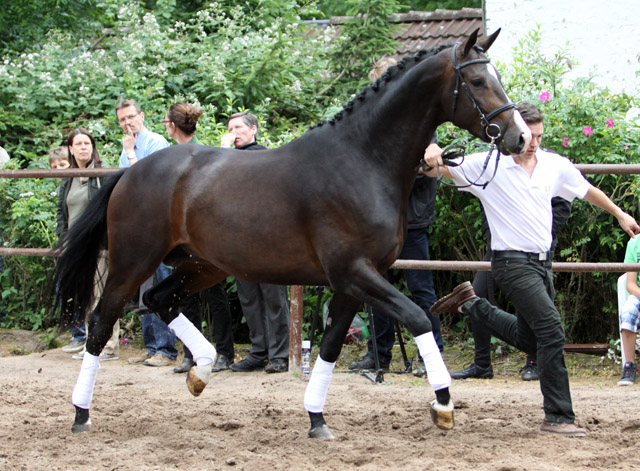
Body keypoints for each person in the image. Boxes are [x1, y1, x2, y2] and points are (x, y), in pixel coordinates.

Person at [425, 102, 640, 437]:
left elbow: (587, 190)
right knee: (552, 330)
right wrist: (432, 152)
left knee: (531, 339)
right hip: (510, 262)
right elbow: (436, 171)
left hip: (542, 263)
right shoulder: (488, 166)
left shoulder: (554, 165)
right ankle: (558, 417)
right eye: (529, 135)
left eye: (540, 135)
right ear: (514, 133)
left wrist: (619, 214)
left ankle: (471, 303)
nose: (535, 142)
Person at [349, 57, 442, 371]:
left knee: (421, 288)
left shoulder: (420, 121)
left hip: (410, 219)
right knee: (376, 287)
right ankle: (379, 354)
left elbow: (429, 165)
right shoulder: (375, 125)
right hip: (375, 221)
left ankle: (430, 355)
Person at [451, 197, 571, 381]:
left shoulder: (549, 171)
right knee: (478, 292)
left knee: (532, 307)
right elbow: (487, 201)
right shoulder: (501, 169)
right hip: (502, 249)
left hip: (534, 252)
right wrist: (494, 239)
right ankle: (482, 363)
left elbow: (562, 205)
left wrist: (541, 237)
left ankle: (534, 362)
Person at [160, 102, 236, 374]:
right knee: (187, 295)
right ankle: (191, 353)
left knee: (214, 294)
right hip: (184, 236)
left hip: (205, 234)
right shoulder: (173, 156)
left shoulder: (202, 152)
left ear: (171, 125)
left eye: (165, 122)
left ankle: (226, 351)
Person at [221, 112, 291, 374]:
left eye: (238, 127)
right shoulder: (228, 157)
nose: (233, 132)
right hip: (241, 241)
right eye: (230, 128)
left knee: (274, 299)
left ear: (253, 130)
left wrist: (225, 152)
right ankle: (259, 352)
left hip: (269, 241)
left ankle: (279, 355)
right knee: (249, 299)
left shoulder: (264, 156)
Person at [116, 98, 176, 367]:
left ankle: (166, 349)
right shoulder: (126, 147)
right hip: (138, 227)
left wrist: (130, 153)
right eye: (122, 120)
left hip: (159, 226)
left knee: (161, 284)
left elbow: (147, 183)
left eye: (130, 117)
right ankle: (151, 346)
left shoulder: (155, 143)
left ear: (141, 116)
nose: (127, 123)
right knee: (143, 286)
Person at [56, 128, 119, 361]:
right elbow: (61, 212)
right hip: (75, 245)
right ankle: (91, 343)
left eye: (87, 143)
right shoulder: (68, 179)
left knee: (102, 292)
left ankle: (108, 345)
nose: (84, 147)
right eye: (79, 144)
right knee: (85, 295)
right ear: (71, 149)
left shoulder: (101, 175)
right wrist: (63, 239)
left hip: (97, 244)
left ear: (93, 147)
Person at [617, 206, 640, 386]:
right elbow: (630, 284)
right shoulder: (635, 243)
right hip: (639, 294)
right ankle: (629, 365)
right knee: (628, 312)